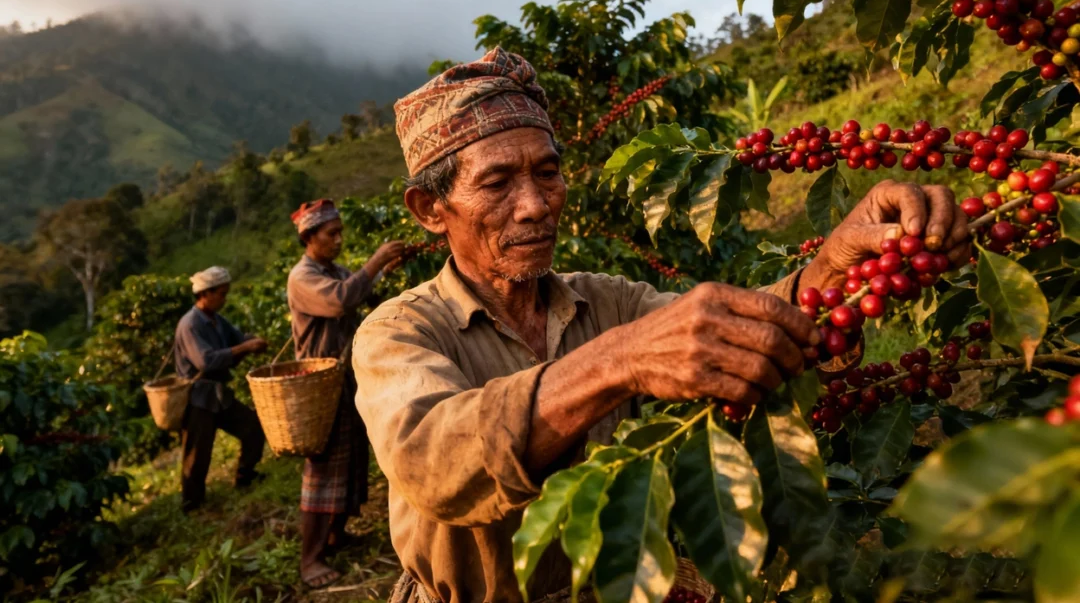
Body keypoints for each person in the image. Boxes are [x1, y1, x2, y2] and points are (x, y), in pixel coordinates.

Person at [351, 48, 973, 603]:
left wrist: (832, 266)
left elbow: (733, 333)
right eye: (497, 181)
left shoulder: (603, 300)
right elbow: (431, 458)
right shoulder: (400, 331)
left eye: (547, 172)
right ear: (431, 209)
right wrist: (619, 361)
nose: (537, 204)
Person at [286, 200, 406, 589]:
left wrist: (382, 274)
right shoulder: (303, 277)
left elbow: (362, 301)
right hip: (319, 383)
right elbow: (340, 299)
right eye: (330, 234)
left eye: (340, 233)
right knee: (323, 468)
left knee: (350, 458)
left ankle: (336, 533)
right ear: (309, 237)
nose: (338, 240)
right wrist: (373, 263)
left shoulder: (334, 271)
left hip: (345, 378)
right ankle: (310, 559)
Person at [175, 266, 269, 513]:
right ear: (206, 294)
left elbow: (237, 338)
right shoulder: (190, 324)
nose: (224, 299)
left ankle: (245, 475)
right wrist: (245, 348)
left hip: (218, 395)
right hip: (198, 399)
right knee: (197, 455)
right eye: (221, 294)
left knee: (253, 428)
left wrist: (251, 340)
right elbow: (206, 361)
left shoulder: (217, 320)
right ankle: (192, 504)